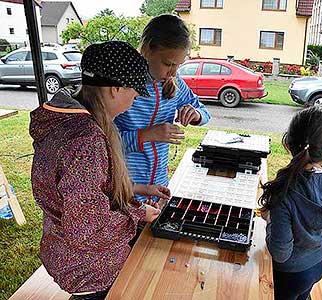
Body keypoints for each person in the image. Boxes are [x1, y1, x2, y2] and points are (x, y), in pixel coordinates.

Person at [30, 41, 169, 300]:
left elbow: (80, 188)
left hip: (62, 249)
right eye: (135, 95)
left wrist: (136, 188)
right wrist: (137, 214)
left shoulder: (65, 121)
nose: (133, 102)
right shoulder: (85, 140)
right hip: (88, 268)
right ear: (116, 88)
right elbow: (87, 228)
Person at [115, 14, 211, 203]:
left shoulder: (175, 83)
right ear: (148, 49)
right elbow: (104, 145)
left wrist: (196, 114)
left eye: (178, 65)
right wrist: (146, 135)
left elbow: (204, 111)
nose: (173, 72)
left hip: (158, 188)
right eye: (168, 64)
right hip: (126, 189)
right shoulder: (123, 87)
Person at [259, 107, 322, 300]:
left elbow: (281, 253)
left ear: (288, 144)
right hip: (316, 266)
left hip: (289, 275)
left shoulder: (284, 191)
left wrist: (269, 220)